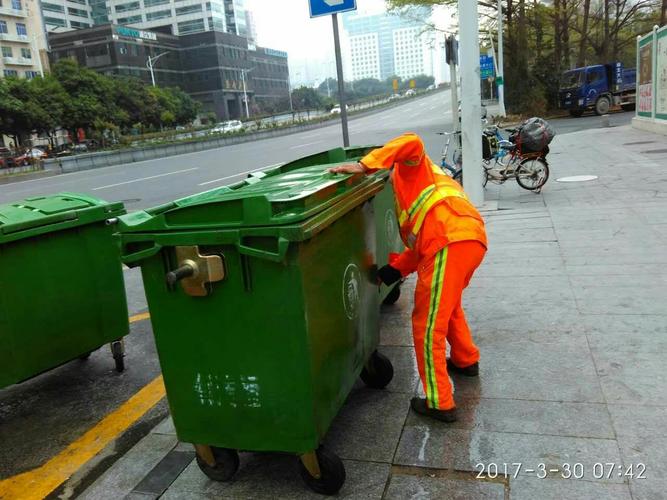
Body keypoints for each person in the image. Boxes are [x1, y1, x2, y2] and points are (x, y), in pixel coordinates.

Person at [330, 133, 487, 422]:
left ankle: (440, 401)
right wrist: (394, 270)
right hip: (469, 238)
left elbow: (412, 141)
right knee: (447, 307)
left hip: (449, 241)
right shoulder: (420, 189)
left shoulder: (411, 167)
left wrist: (366, 165)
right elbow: (420, 245)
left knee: (427, 325)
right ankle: (466, 360)